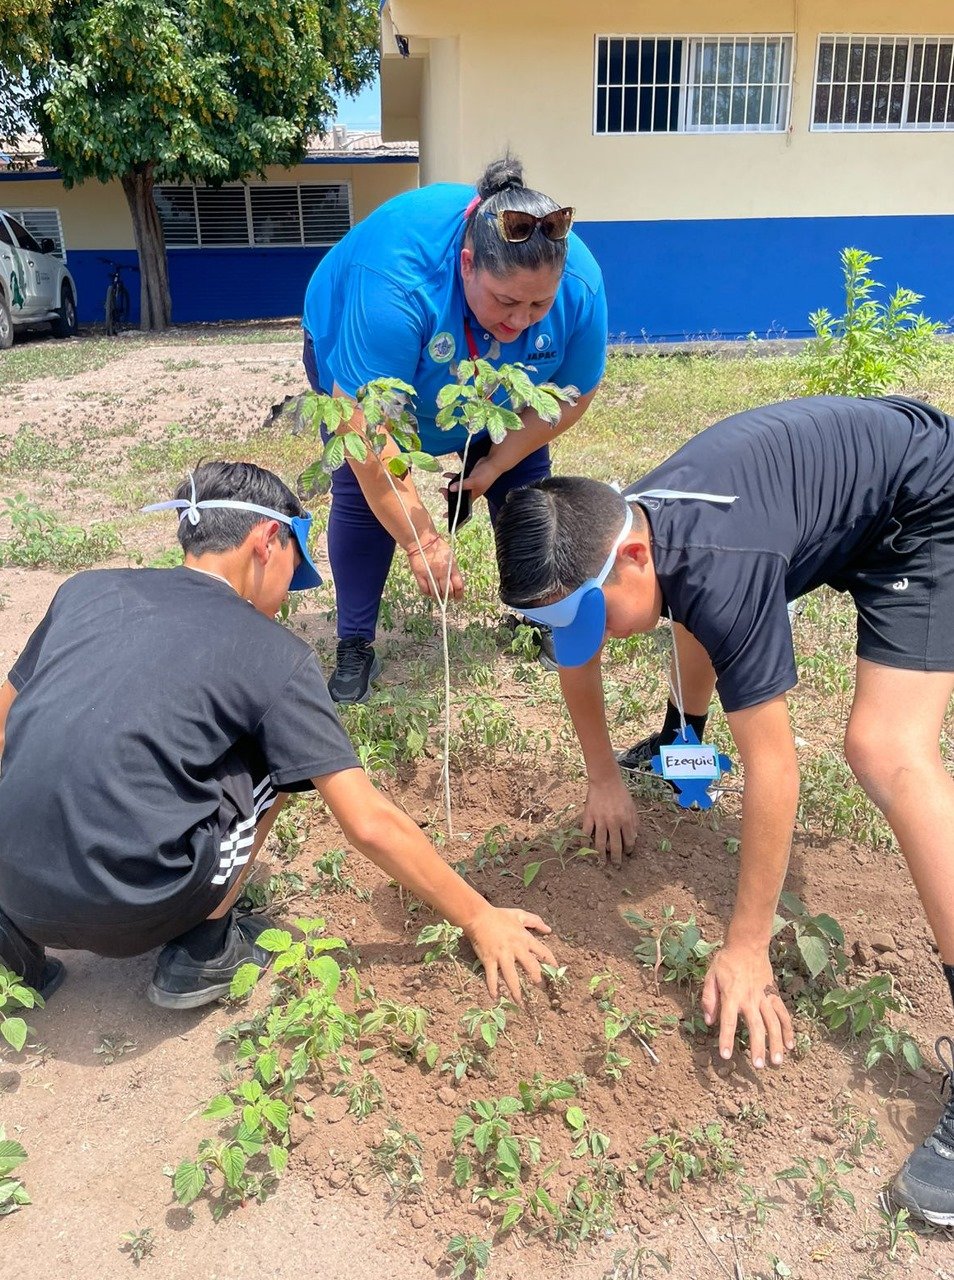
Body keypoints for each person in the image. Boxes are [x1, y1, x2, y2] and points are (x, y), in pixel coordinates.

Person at [493, 394, 954, 1226]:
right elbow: (610, 630)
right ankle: (683, 744)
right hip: (822, 493)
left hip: (918, 502)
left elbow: (774, 768)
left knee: (886, 753)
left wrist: (746, 949)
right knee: (690, 610)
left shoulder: (718, 559)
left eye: (584, 616)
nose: (581, 639)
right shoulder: (621, 536)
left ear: (631, 554)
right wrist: (603, 776)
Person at [0, 462, 555, 1010]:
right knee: (283, 759)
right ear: (268, 540)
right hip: (134, 906)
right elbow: (366, 822)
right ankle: (202, 951)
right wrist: (479, 916)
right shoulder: (272, 653)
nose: (289, 597)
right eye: (296, 567)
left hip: (12, 886)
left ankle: (18, 957)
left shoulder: (86, 591)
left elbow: (6, 720)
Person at [301, 153, 608, 703]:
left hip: (494, 388)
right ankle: (355, 643)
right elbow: (369, 435)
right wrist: (421, 542)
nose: (519, 321)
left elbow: (571, 395)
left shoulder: (581, 285)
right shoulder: (395, 278)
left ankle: (532, 611)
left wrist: (494, 462)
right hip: (362, 344)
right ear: (466, 264)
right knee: (360, 485)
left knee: (526, 484)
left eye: (539, 304)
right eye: (507, 301)